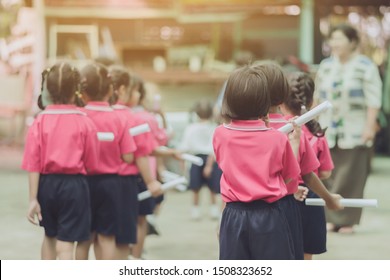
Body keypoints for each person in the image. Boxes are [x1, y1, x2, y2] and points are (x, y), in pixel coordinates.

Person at [213, 64, 301, 260]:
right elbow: (291, 181)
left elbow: (226, 168)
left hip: (233, 215)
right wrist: (294, 144)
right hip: (269, 215)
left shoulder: (220, 134)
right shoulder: (277, 138)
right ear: (265, 101)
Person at [257, 62, 342, 259]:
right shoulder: (298, 131)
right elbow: (316, 173)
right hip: (294, 200)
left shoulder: (243, 131)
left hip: (258, 206)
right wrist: (329, 198)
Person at [22, 62, 99, 259]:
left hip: (46, 185)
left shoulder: (40, 121)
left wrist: (33, 199)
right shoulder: (84, 121)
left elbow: (33, 164)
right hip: (74, 186)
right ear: (76, 90)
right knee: (66, 244)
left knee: (49, 236)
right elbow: (92, 163)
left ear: (47, 89)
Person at [314, 23, 382, 234]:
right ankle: (332, 219)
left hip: (355, 128)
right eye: (332, 38)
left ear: (352, 42)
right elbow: (317, 97)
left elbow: (373, 100)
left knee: (352, 176)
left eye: (339, 38)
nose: (335, 43)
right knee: (328, 174)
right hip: (327, 129)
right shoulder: (325, 66)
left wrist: (369, 126)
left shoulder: (365, 66)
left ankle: (348, 221)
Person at [75, 63, 137, 260]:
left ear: (82, 92)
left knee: (83, 239)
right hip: (111, 184)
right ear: (111, 90)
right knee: (107, 238)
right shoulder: (119, 118)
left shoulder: (80, 116)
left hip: (83, 183)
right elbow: (128, 156)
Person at [283, 71, 335, 260]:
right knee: (305, 259)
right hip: (310, 199)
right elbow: (326, 172)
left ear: (280, 102)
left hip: (282, 196)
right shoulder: (316, 134)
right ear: (312, 103)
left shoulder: (276, 130)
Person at [177, 99, 222, 220]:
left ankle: (195, 210)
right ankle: (214, 209)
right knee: (212, 187)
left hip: (195, 159)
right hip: (211, 159)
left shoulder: (191, 128)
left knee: (195, 188)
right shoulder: (215, 127)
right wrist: (209, 165)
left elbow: (184, 147)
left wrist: (183, 165)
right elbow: (214, 148)